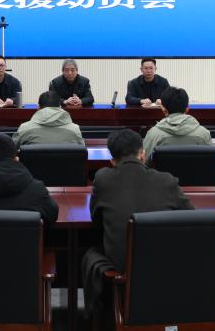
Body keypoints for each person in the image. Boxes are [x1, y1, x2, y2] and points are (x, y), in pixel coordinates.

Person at [83, 129, 193, 316]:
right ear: (142, 154)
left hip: (122, 268)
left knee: (90, 253)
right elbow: (192, 218)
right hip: (167, 268)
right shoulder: (167, 181)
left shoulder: (103, 179)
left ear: (112, 160)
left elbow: (96, 219)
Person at [142, 87, 212, 160]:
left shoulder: (153, 134)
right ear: (187, 108)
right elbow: (212, 161)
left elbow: (143, 162)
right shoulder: (203, 134)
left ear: (163, 108)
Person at [12, 91, 85, 145]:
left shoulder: (25, 128)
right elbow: (82, 153)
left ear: (38, 107)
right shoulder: (74, 129)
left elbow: (12, 151)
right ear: (60, 107)